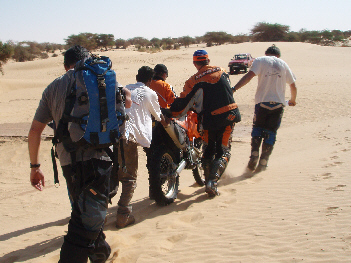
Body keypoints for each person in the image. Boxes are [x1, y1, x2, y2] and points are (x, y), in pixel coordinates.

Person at [28, 45, 131, 263]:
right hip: (99, 158)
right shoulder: (100, 78)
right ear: (87, 61)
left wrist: (34, 167)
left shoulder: (52, 87)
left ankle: (100, 254)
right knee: (86, 219)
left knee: (83, 211)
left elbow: (35, 130)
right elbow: (127, 98)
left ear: (66, 65)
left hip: (68, 161)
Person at [169, 50, 240, 197]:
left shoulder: (193, 81)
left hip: (209, 120)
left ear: (195, 63)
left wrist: (169, 112)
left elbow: (183, 103)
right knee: (223, 151)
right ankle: (211, 183)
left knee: (208, 150)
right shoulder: (222, 71)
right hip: (229, 115)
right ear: (208, 61)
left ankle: (209, 180)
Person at [232, 44, 297, 173]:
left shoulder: (260, 60)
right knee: (271, 131)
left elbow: (248, 76)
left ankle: (254, 154)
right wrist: (292, 100)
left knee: (258, 128)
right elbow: (293, 85)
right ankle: (264, 160)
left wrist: (234, 89)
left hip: (262, 103)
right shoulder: (283, 63)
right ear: (278, 55)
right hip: (278, 104)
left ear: (267, 53)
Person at [115, 66, 166, 228]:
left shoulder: (125, 88)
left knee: (115, 173)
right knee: (130, 176)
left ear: (137, 77)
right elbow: (158, 116)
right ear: (150, 80)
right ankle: (123, 215)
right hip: (130, 137)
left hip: (114, 136)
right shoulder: (150, 93)